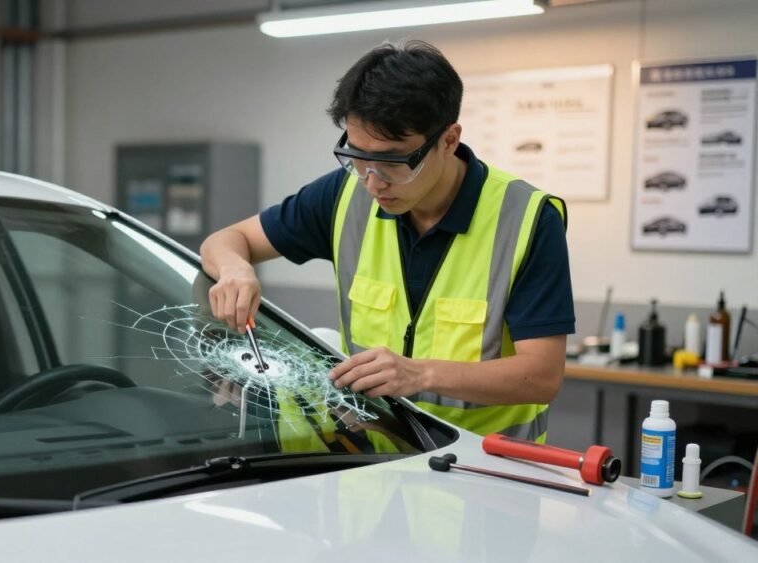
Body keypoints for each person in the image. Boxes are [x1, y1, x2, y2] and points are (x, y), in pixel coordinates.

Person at [200, 40, 574, 443]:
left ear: (448, 140)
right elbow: (225, 241)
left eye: (394, 162)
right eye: (358, 156)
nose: (373, 181)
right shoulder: (343, 195)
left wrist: (418, 374)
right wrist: (237, 268)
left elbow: (541, 376)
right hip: (373, 472)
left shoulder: (526, 219)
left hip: (484, 473)